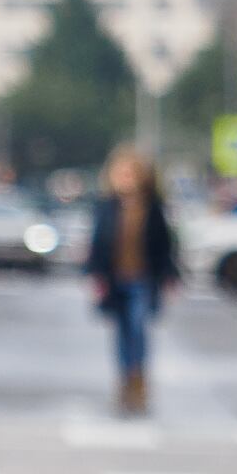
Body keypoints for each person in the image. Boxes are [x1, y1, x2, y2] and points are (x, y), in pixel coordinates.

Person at [85, 145, 180, 416]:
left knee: (139, 329)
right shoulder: (106, 206)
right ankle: (124, 382)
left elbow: (165, 245)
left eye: (131, 173)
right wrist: (94, 275)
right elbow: (97, 243)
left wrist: (170, 276)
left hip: (143, 279)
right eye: (121, 173)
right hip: (115, 280)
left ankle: (139, 381)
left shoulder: (152, 207)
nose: (125, 178)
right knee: (121, 334)